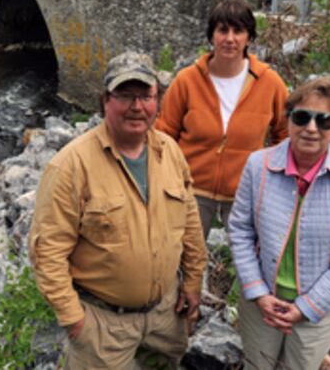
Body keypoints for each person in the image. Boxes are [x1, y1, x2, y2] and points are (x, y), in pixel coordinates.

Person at [29, 51, 207, 370]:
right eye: (124, 95)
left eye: (145, 95)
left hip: (166, 317)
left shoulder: (171, 152)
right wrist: (74, 320)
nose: (136, 106)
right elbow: (48, 252)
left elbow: (190, 225)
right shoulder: (70, 166)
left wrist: (193, 281)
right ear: (104, 101)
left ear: (157, 100)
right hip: (102, 326)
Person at [227, 76, 330, 370]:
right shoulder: (258, 164)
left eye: (324, 121)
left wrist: (306, 307)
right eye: (302, 117)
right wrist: (257, 291)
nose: (311, 128)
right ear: (289, 120)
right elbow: (240, 229)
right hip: (261, 303)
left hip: (321, 308)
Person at [156, 0, 288, 240]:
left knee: (250, 263)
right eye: (222, 30)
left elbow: (285, 135)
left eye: (238, 30)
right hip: (190, 189)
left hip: (245, 192)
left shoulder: (270, 83)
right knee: (183, 262)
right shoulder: (187, 80)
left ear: (249, 37)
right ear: (211, 35)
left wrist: (271, 181)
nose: (230, 39)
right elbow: (163, 135)